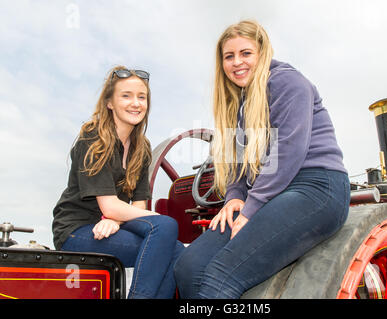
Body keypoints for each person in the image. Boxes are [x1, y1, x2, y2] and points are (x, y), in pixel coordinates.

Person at [174, 20, 350, 299]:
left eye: (246, 53)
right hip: (273, 191)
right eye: (229, 56)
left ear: (262, 53)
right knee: (189, 267)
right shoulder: (240, 103)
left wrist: (251, 207)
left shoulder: (286, 81)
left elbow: (289, 150)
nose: (237, 62)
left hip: (316, 187)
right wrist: (234, 196)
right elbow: (238, 163)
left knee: (219, 278)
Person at [52, 66, 184, 299]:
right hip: (76, 229)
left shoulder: (142, 148)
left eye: (141, 97)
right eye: (126, 96)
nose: (136, 103)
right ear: (109, 103)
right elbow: (109, 206)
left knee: (172, 243)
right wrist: (113, 215)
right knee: (168, 233)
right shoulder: (93, 138)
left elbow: (141, 206)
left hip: (113, 224)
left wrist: (115, 220)